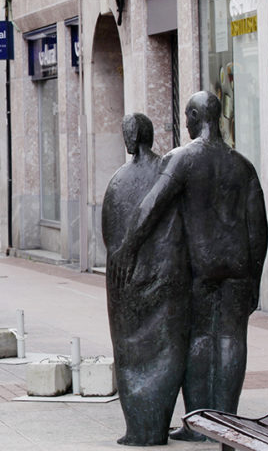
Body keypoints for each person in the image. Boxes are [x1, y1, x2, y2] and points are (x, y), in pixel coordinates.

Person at [110, 92, 268, 441]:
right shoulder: (242, 165)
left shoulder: (182, 159)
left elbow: (150, 207)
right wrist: (255, 277)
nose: (187, 122)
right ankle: (225, 423)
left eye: (188, 115)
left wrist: (128, 248)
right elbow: (258, 228)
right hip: (238, 265)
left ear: (197, 116)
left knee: (197, 338)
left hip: (199, 267)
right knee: (230, 338)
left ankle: (199, 425)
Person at [102, 114, 189, 446]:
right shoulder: (167, 171)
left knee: (129, 350)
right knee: (167, 348)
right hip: (168, 272)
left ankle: (141, 428)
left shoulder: (119, 180)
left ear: (130, 138)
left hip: (127, 279)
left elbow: (110, 232)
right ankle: (157, 423)